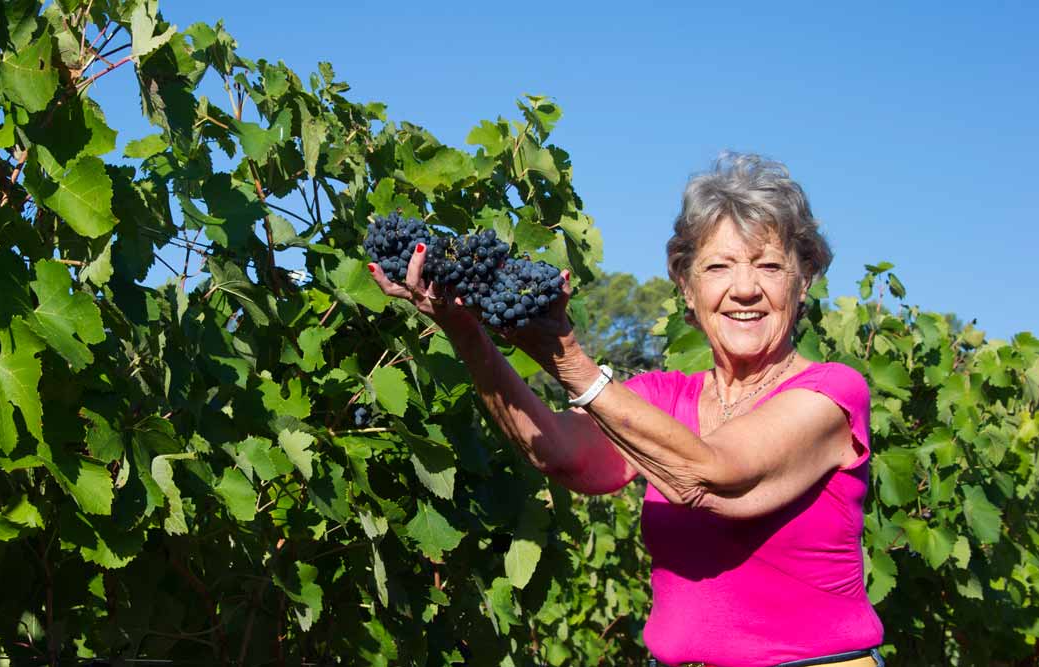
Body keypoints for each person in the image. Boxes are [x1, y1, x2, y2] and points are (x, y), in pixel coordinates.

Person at [367, 153, 885, 667]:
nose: (745, 288)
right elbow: (568, 457)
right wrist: (466, 332)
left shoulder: (830, 394)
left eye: (770, 266)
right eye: (718, 266)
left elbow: (711, 478)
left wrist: (570, 361)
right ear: (687, 286)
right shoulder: (662, 397)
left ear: (804, 280)